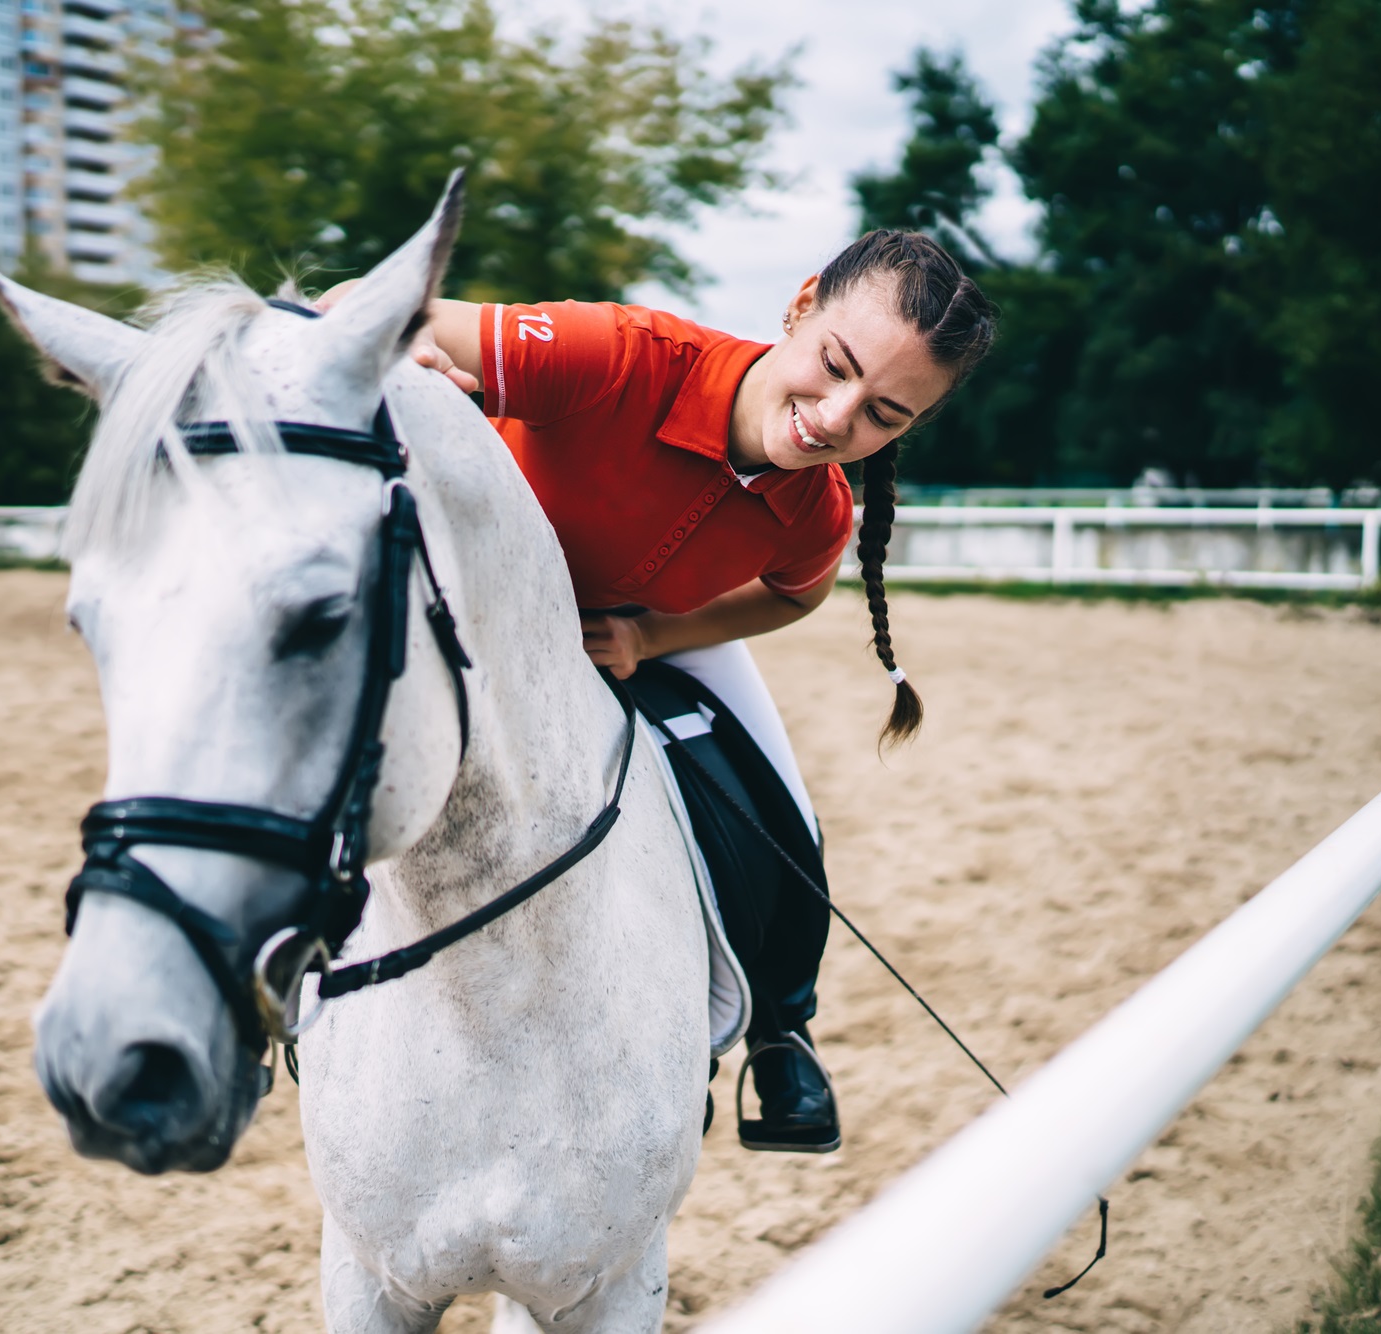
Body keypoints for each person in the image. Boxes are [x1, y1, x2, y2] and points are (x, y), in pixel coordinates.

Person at [324, 229, 996, 1151]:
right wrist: (402, 346)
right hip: (484, 605)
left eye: (885, 415)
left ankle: (779, 1028)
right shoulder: (618, 355)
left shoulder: (819, 510)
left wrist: (653, 635)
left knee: (788, 818)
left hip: (638, 622)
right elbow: (364, 310)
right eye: (835, 366)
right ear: (800, 306)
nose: (837, 420)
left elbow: (795, 594)